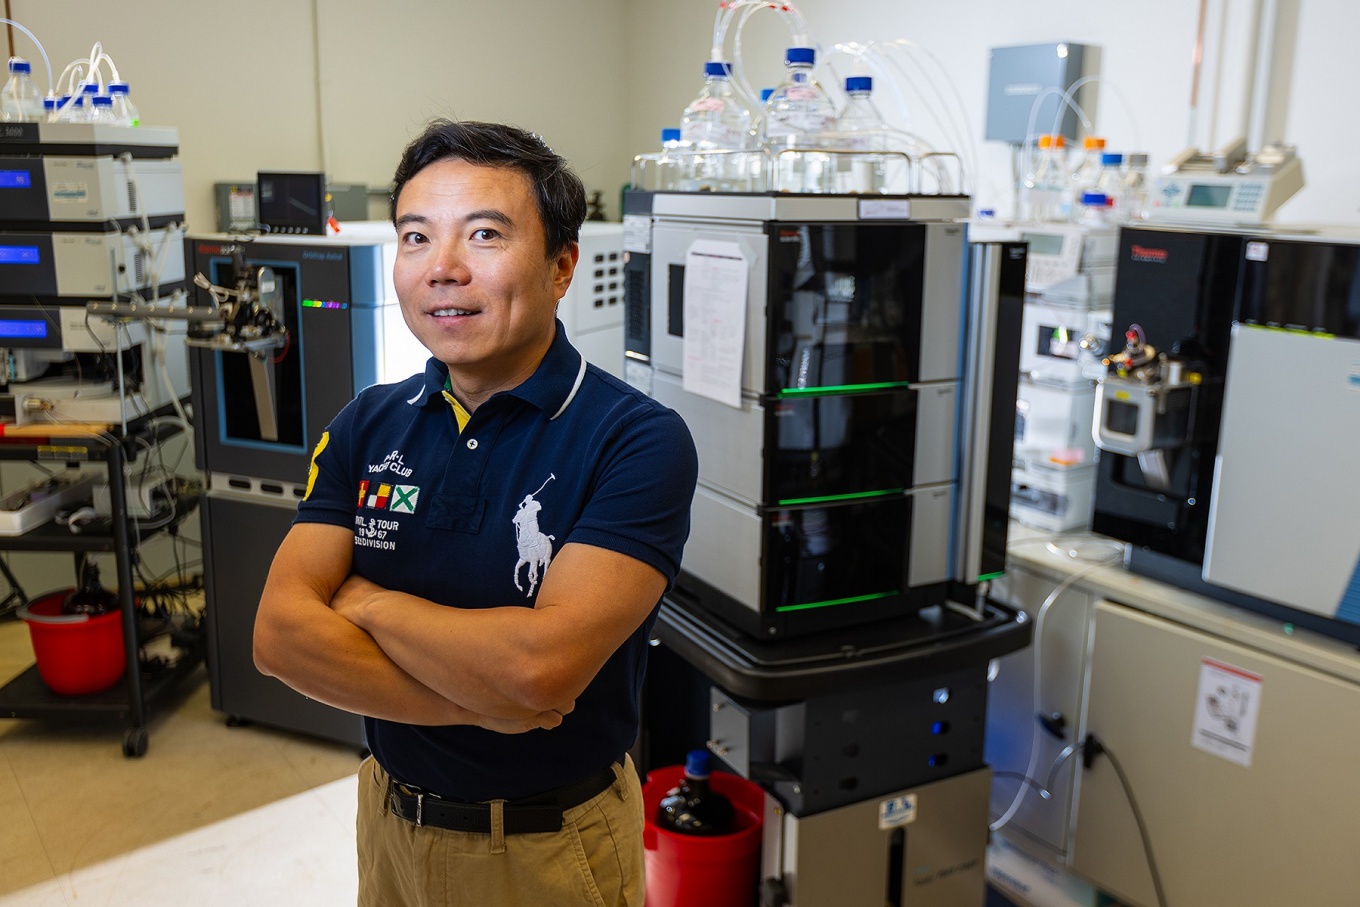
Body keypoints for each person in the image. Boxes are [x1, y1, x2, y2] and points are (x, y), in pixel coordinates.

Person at [253, 119, 699, 906]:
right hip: (389, 822)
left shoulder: (634, 439)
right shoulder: (367, 424)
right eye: (416, 237)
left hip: (549, 846)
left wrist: (367, 602)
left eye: (485, 234)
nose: (443, 269)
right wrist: (487, 706)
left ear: (562, 266)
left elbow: (539, 668)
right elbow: (280, 636)